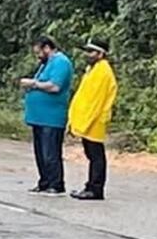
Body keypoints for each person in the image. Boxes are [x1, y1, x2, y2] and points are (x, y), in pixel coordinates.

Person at [20, 36, 74, 195]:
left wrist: (33, 84)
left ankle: (56, 183)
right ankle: (44, 181)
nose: (38, 56)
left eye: (39, 52)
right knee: (40, 152)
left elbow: (54, 86)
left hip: (51, 118)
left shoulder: (60, 62)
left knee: (50, 152)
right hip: (38, 117)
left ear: (47, 48)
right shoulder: (46, 64)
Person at [68, 38, 118, 201]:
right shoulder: (93, 69)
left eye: (91, 51)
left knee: (96, 155)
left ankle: (95, 189)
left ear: (101, 54)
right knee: (92, 154)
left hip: (93, 120)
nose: (87, 54)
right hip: (87, 118)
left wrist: (84, 124)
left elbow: (95, 101)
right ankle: (90, 186)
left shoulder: (103, 71)